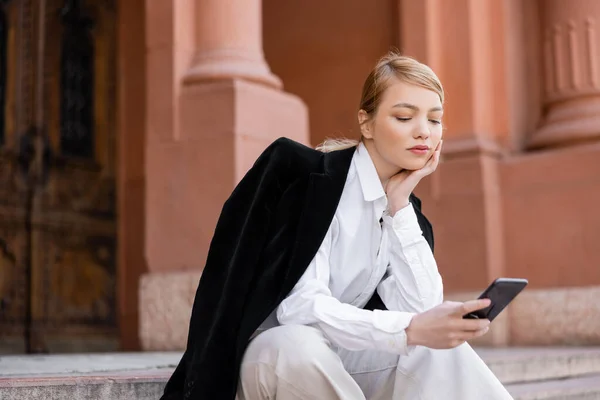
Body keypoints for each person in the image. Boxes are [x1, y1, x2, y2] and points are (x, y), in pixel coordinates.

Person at [161, 52, 513, 400]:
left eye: (435, 120)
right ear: (366, 123)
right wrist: (407, 329)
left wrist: (399, 207)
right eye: (405, 116)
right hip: (270, 358)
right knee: (294, 346)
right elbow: (299, 307)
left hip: (337, 358)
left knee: (438, 350)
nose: (423, 131)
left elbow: (422, 310)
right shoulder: (307, 178)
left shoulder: (404, 211)